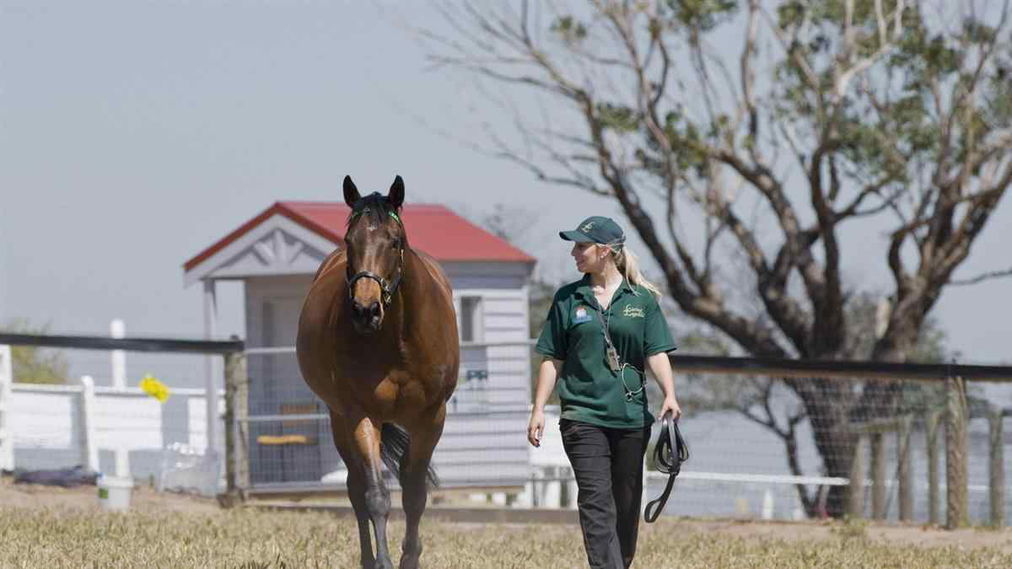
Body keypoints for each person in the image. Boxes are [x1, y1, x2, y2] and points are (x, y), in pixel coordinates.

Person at [528, 215, 681, 569]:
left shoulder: (641, 300)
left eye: (582, 245)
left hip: (630, 418)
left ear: (606, 251)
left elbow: (655, 352)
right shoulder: (568, 298)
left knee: (625, 506)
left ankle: (620, 562)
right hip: (582, 417)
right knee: (596, 501)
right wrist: (538, 409)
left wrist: (670, 394)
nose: (574, 252)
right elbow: (552, 359)